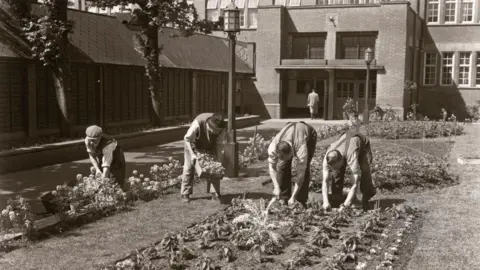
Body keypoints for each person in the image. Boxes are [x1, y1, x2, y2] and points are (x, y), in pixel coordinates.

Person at [321, 128, 375, 212]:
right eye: (332, 167)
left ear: (342, 160)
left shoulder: (351, 155)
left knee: (365, 170)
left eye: (335, 166)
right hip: (345, 141)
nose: (333, 169)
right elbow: (325, 181)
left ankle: (366, 199)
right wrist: (325, 201)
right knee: (336, 173)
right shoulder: (328, 157)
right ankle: (336, 198)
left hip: (361, 145)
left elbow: (354, 184)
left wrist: (346, 205)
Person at [267, 121, 317, 208]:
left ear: (291, 153)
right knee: (282, 166)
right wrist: (276, 187)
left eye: (284, 157)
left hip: (308, 134)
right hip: (290, 130)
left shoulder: (301, 147)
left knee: (305, 169)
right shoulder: (273, 146)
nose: (280, 159)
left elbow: (301, 174)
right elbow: (272, 167)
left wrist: (294, 196)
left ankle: (300, 200)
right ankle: (283, 197)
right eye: (280, 157)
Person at [182, 112, 226, 203]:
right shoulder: (198, 123)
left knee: (215, 168)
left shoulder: (221, 127)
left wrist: (219, 159)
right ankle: (185, 193)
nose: (217, 132)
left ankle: (215, 193)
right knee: (189, 168)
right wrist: (192, 154)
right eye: (216, 131)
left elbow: (219, 144)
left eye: (218, 131)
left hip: (209, 145)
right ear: (209, 126)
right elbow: (187, 139)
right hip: (192, 143)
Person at [84, 125, 126, 191]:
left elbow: (106, 167)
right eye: (90, 140)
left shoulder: (108, 145)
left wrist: (103, 183)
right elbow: (91, 155)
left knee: (114, 182)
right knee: (99, 175)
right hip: (101, 155)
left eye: (94, 140)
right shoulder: (87, 140)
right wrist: (97, 169)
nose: (91, 142)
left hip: (116, 158)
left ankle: (116, 196)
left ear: (100, 137)